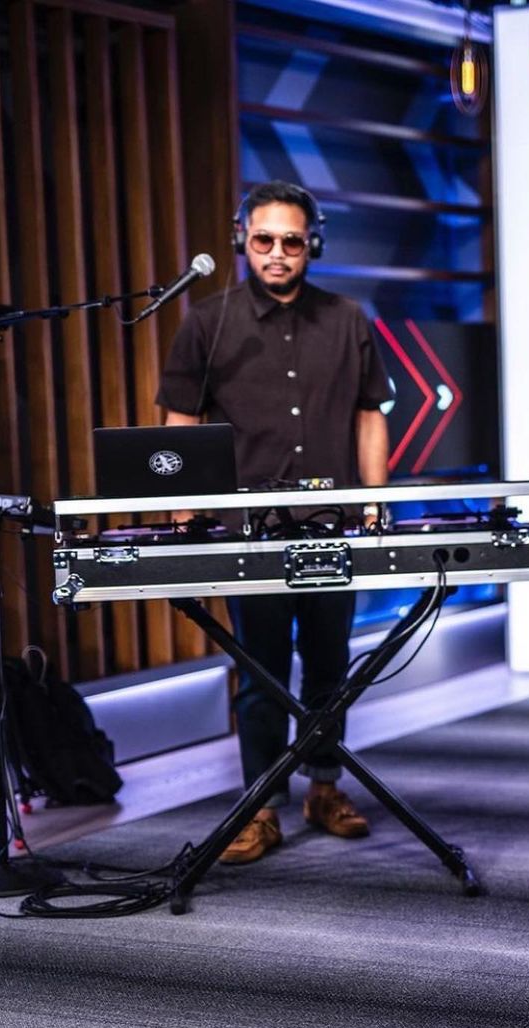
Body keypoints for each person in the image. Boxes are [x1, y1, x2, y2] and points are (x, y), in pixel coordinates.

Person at [157, 180, 393, 864]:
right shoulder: (208, 322)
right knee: (260, 673)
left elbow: (370, 414)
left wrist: (373, 504)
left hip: (328, 522)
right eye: (264, 240)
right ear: (243, 241)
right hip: (245, 529)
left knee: (329, 664)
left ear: (311, 244)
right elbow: (180, 421)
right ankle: (259, 807)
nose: (278, 253)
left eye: (292, 240)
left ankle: (324, 787)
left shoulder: (347, 319)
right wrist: (183, 518)